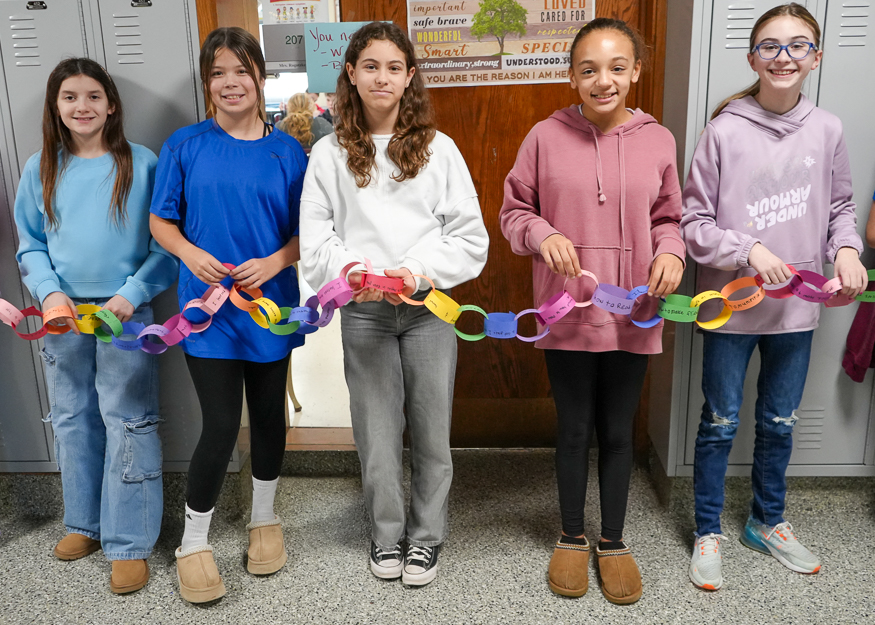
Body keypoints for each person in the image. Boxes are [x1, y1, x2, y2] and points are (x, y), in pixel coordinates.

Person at [681, 2, 867, 591]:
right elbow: (693, 223)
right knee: (719, 420)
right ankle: (707, 527)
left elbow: (840, 208)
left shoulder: (828, 128)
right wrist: (749, 249)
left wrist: (846, 252)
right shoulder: (723, 130)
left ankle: (767, 520)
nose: (783, 57)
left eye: (797, 45)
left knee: (780, 421)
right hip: (730, 310)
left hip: (796, 312)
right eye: (770, 45)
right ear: (752, 56)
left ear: (816, 56)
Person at [500, 18, 685, 605]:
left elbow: (669, 219)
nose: (602, 81)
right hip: (568, 308)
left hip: (634, 308)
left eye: (616, 67)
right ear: (572, 75)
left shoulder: (659, 140)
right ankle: (571, 536)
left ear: (635, 70)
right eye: (588, 69)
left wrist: (673, 254)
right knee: (575, 428)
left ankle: (613, 541)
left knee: (618, 430)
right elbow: (513, 213)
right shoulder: (543, 137)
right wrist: (540, 232)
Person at [300, 21, 488, 587]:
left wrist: (417, 271)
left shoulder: (439, 149)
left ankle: (425, 540)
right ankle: (386, 536)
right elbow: (316, 237)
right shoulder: (329, 154)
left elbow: (468, 236)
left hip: (429, 310)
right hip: (365, 313)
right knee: (377, 433)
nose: (382, 77)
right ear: (351, 75)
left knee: (432, 431)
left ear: (409, 77)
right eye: (370, 66)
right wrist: (352, 271)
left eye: (394, 67)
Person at [149, 27, 307, 603]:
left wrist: (272, 262)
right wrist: (191, 254)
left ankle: (264, 519)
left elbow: (306, 233)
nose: (230, 83)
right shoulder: (185, 145)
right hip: (206, 314)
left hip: (269, 309)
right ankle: (193, 542)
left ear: (260, 77)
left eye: (241, 70)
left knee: (268, 417)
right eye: (218, 73)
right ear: (207, 82)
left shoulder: (288, 151)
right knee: (219, 424)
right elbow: (161, 222)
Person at [14, 58, 176, 594]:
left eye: (91, 96)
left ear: (111, 104)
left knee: (126, 417)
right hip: (63, 316)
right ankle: (84, 522)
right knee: (71, 417)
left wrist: (130, 297)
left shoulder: (144, 165)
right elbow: (31, 246)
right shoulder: (41, 169)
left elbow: (164, 249)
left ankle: (129, 541)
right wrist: (50, 292)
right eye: (69, 98)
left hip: (123, 315)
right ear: (55, 108)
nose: (81, 107)